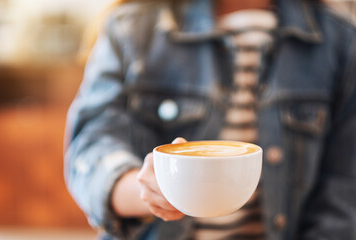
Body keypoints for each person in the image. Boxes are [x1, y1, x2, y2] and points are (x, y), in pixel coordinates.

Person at [64, 0, 356, 239]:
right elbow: (90, 148)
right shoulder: (131, 30)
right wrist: (147, 191)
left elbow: (342, 198)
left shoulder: (341, 42)